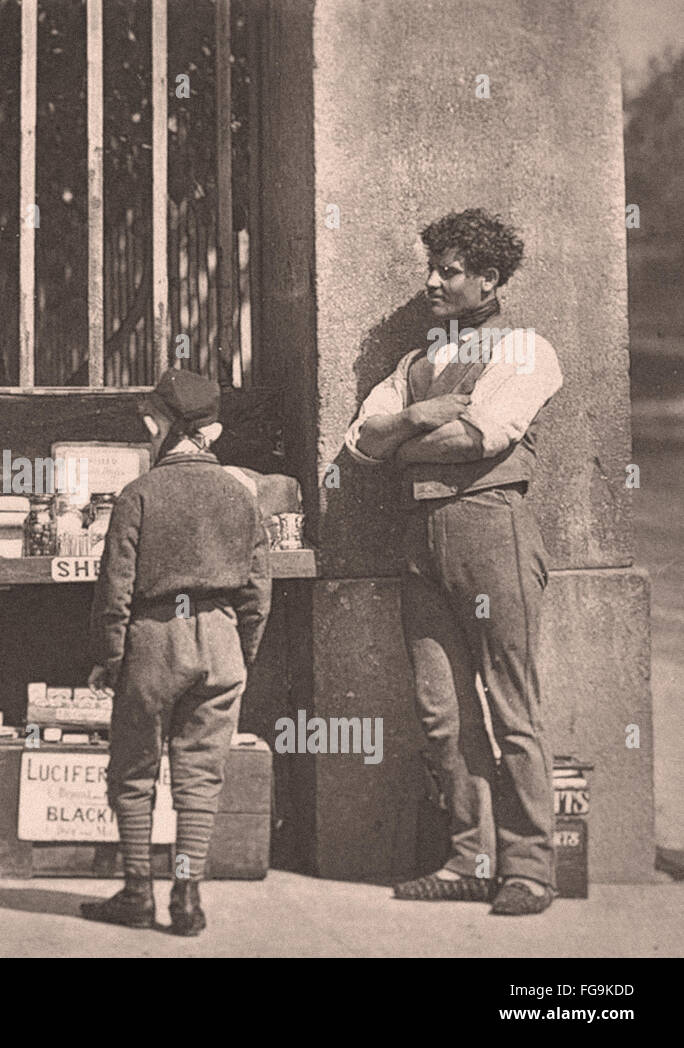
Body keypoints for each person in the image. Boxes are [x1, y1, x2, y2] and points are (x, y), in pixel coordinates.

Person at [346, 208, 563, 915]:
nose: (432, 281)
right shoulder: (413, 366)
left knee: (511, 705)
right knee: (441, 711)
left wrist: (403, 439)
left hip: (490, 528)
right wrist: (417, 417)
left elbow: (483, 433)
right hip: (420, 540)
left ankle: (529, 868)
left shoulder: (526, 348)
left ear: (489, 280)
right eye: (431, 268)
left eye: (449, 271)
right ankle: (469, 857)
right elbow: (359, 445)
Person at [84, 368, 272, 936]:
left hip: (154, 638)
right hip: (220, 639)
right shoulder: (242, 495)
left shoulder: (138, 495)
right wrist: (240, 651)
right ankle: (188, 898)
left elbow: (114, 589)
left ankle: (138, 893)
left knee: (134, 771)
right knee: (201, 775)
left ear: (158, 424)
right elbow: (259, 590)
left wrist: (112, 656)